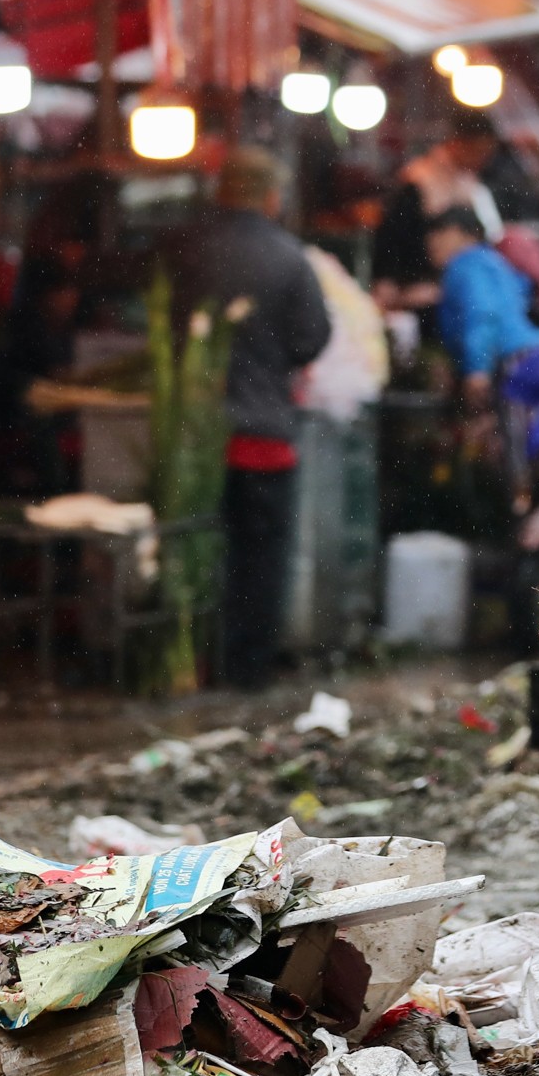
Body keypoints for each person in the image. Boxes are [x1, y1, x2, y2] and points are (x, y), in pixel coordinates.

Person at [159, 145, 331, 689]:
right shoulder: (288, 257)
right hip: (262, 437)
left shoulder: (186, 249)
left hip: (191, 438)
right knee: (259, 555)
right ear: (272, 196)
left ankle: (191, 662)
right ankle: (247, 671)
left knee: (194, 552)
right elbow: (311, 339)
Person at [372, 111, 502, 313]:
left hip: (463, 283)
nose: (482, 160)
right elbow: (393, 240)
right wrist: (390, 287)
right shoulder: (419, 180)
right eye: (478, 151)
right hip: (421, 288)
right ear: (457, 142)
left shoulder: (472, 182)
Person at [427, 207, 539, 409]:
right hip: (531, 353)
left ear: (462, 234)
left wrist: (478, 367)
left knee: (516, 435)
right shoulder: (490, 260)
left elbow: (482, 313)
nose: (431, 243)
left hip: (511, 359)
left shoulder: (466, 264)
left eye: (440, 233)